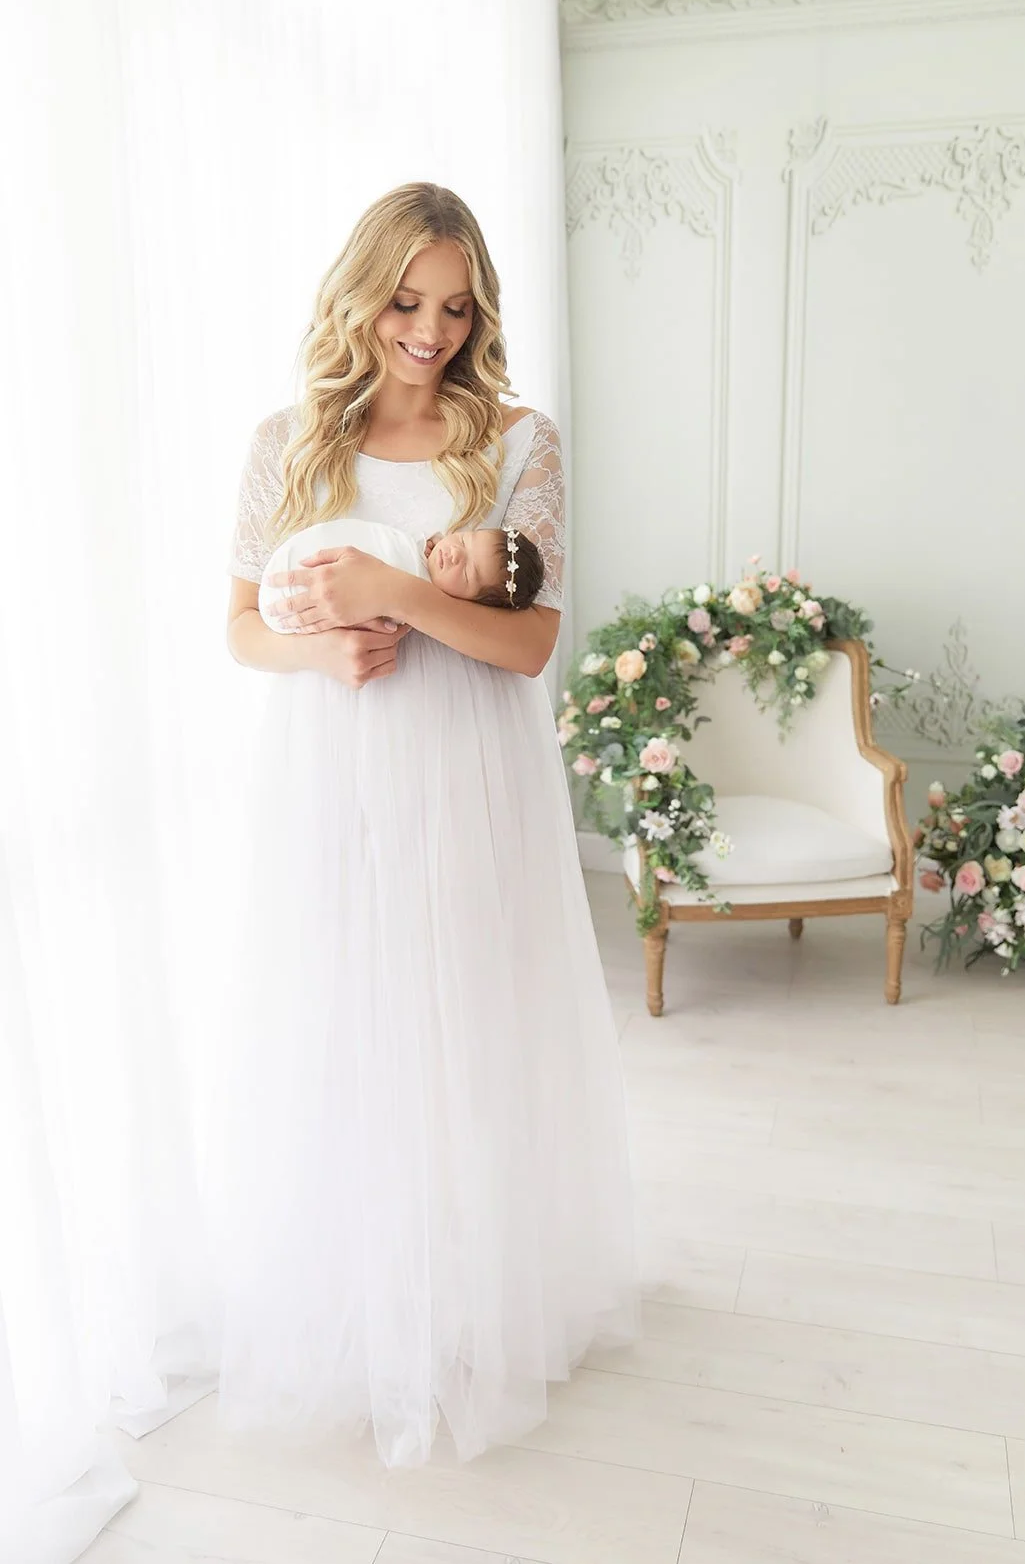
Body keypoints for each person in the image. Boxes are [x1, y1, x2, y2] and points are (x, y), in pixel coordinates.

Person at [211, 181, 639, 1471]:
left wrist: (401, 586)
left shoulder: (518, 439)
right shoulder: (288, 439)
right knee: (349, 1027)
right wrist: (322, 651)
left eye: (453, 307)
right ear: (361, 293)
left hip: (468, 771)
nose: (429, 330)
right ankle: (366, 1296)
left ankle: (470, 1299)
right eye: (405, 300)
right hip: (332, 774)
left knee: (467, 1024)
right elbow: (239, 628)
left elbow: (528, 643)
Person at [258, 519, 545, 633]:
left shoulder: (419, 600)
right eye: (464, 540)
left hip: (304, 600)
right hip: (296, 561)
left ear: (469, 603)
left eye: (468, 572)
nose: (455, 553)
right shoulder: (417, 544)